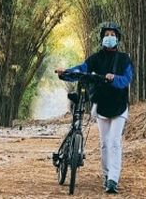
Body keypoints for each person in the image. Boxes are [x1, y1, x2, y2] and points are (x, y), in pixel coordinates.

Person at [55, 22, 134, 194]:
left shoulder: (124, 59)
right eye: (107, 34)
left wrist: (113, 78)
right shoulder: (95, 59)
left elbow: (127, 79)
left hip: (119, 106)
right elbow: (81, 70)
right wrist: (65, 73)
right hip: (101, 106)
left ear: (117, 39)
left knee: (114, 142)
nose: (110, 37)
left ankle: (113, 179)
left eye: (113, 35)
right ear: (102, 38)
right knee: (104, 144)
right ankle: (106, 176)